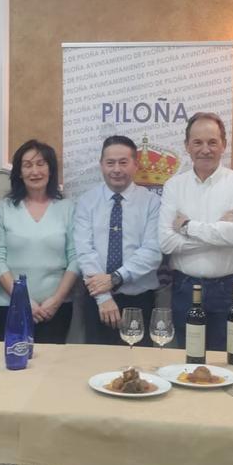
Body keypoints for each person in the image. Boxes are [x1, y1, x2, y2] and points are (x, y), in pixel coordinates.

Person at [159, 112, 233, 351]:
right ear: (186, 146)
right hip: (184, 288)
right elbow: (167, 243)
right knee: (187, 361)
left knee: (226, 362)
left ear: (223, 145)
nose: (205, 149)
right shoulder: (173, 186)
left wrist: (188, 227)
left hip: (230, 289)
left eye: (212, 142)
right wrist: (220, 232)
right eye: (197, 142)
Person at [0, 139, 79, 344]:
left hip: (56, 308)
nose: (34, 171)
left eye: (41, 164)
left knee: (51, 370)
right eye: (27, 165)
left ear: (51, 169)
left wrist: (55, 301)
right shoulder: (5, 207)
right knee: (15, 368)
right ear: (19, 172)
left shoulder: (67, 207)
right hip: (10, 304)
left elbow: (75, 258)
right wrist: (21, 299)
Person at [74, 135, 162, 344]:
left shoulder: (152, 202)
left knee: (140, 366)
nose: (117, 169)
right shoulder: (87, 201)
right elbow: (84, 251)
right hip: (97, 299)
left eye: (123, 162)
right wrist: (103, 297)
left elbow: (153, 251)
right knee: (96, 366)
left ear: (135, 165)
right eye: (110, 163)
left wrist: (114, 278)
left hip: (140, 299)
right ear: (101, 165)